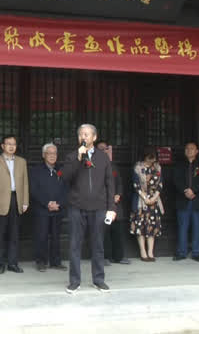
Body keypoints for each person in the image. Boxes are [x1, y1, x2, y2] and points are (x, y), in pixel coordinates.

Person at [61, 124, 116, 294]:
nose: (83, 137)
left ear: (94, 137)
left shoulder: (103, 157)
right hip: (77, 207)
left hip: (98, 207)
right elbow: (65, 177)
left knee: (98, 244)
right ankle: (74, 281)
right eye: (81, 134)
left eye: (86, 134)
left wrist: (111, 207)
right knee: (74, 245)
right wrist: (78, 158)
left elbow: (110, 183)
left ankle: (98, 280)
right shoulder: (72, 156)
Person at [0, 135, 29, 274]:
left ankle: (12, 263)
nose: (11, 146)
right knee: (0, 234)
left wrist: (25, 201)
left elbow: (25, 183)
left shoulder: (22, 162)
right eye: (8, 144)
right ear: (2, 146)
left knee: (14, 234)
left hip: (17, 199)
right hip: (0, 201)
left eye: (14, 144)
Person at [29, 143, 67, 272]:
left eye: (54, 153)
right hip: (42, 209)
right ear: (43, 155)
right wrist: (47, 203)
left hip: (57, 209)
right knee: (41, 236)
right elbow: (33, 190)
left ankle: (56, 262)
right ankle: (41, 261)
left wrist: (59, 204)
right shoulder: (36, 170)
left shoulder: (61, 170)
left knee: (56, 237)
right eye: (49, 153)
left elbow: (66, 189)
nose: (52, 156)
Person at [173, 141, 199, 262]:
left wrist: (194, 190)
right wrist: (185, 190)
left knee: (197, 227)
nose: (189, 150)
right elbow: (176, 180)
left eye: (192, 148)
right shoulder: (179, 165)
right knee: (182, 227)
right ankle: (181, 252)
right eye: (187, 148)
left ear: (197, 151)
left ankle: (196, 252)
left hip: (197, 200)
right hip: (183, 200)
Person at [98, 140, 130, 265]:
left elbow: (119, 183)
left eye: (106, 149)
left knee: (118, 231)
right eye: (101, 149)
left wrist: (118, 194)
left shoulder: (113, 166)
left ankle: (119, 257)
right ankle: (105, 257)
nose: (104, 151)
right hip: (103, 204)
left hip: (116, 205)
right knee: (104, 232)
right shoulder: (93, 166)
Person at [130, 148, 164, 262]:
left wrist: (154, 198)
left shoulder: (157, 167)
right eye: (149, 158)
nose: (151, 161)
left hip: (154, 201)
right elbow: (136, 185)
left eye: (153, 158)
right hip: (141, 200)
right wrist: (145, 198)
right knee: (140, 227)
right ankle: (143, 252)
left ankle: (150, 252)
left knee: (152, 227)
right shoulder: (138, 167)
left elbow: (160, 184)